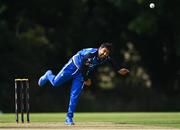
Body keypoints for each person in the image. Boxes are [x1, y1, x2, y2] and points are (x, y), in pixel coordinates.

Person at [38, 42, 129, 125]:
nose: (105, 54)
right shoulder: (90, 54)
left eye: (107, 53)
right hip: (72, 66)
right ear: (100, 48)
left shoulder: (104, 57)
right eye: (104, 51)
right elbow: (83, 67)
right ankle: (48, 74)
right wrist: (86, 79)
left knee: (75, 95)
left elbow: (111, 60)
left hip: (81, 74)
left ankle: (69, 118)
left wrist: (118, 70)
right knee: (55, 83)